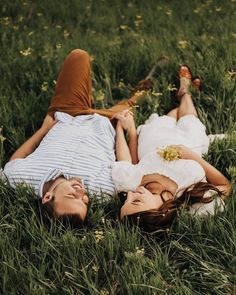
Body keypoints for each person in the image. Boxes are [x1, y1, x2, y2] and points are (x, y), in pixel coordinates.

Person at [2, 49, 142, 227]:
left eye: (71, 195)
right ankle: (141, 91)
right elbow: (126, 166)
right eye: (84, 200)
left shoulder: (18, 179)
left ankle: (86, 101)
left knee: (78, 56)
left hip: (68, 113)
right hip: (108, 122)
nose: (81, 192)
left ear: (47, 197)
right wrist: (126, 129)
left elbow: (15, 160)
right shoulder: (102, 193)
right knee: (136, 100)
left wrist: (43, 130)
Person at [112, 66, 232, 232]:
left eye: (127, 199)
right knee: (189, 120)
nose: (131, 194)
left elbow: (132, 162)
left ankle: (182, 98)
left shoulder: (132, 183)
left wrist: (127, 129)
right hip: (190, 144)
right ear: (161, 211)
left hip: (153, 140)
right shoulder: (189, 197)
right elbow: (225, 185)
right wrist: (188, 153)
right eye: (136, 201)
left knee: (165, 119)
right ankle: (185, 92)